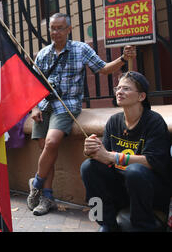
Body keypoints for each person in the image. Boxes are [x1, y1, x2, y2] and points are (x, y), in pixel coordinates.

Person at [28, 12, 137, 216]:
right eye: (52, 28)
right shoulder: (43, 54)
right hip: (43, 107)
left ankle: (36, 184)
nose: (55, 32)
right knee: (46, 151)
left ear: (69, 29)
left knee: (51, 143)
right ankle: (47, 197)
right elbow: (33, 84)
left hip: (67, 105)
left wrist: (123, 58)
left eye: (60, 28)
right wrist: (34, 107)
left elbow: (103, 69)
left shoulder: (80, 49)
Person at [81, 71, 171, 232]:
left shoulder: (153, 122)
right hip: (122, 188)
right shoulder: (114, 121)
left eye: (126, 89)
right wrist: (92, 150)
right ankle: (106, 223)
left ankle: (143, 226)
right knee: (88, 166)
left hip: (150, 190)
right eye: (118, 88)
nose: (119, 92)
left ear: (141, 97)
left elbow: (152, 162)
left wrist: (111, 156)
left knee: (134, 171)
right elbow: (105, 157)